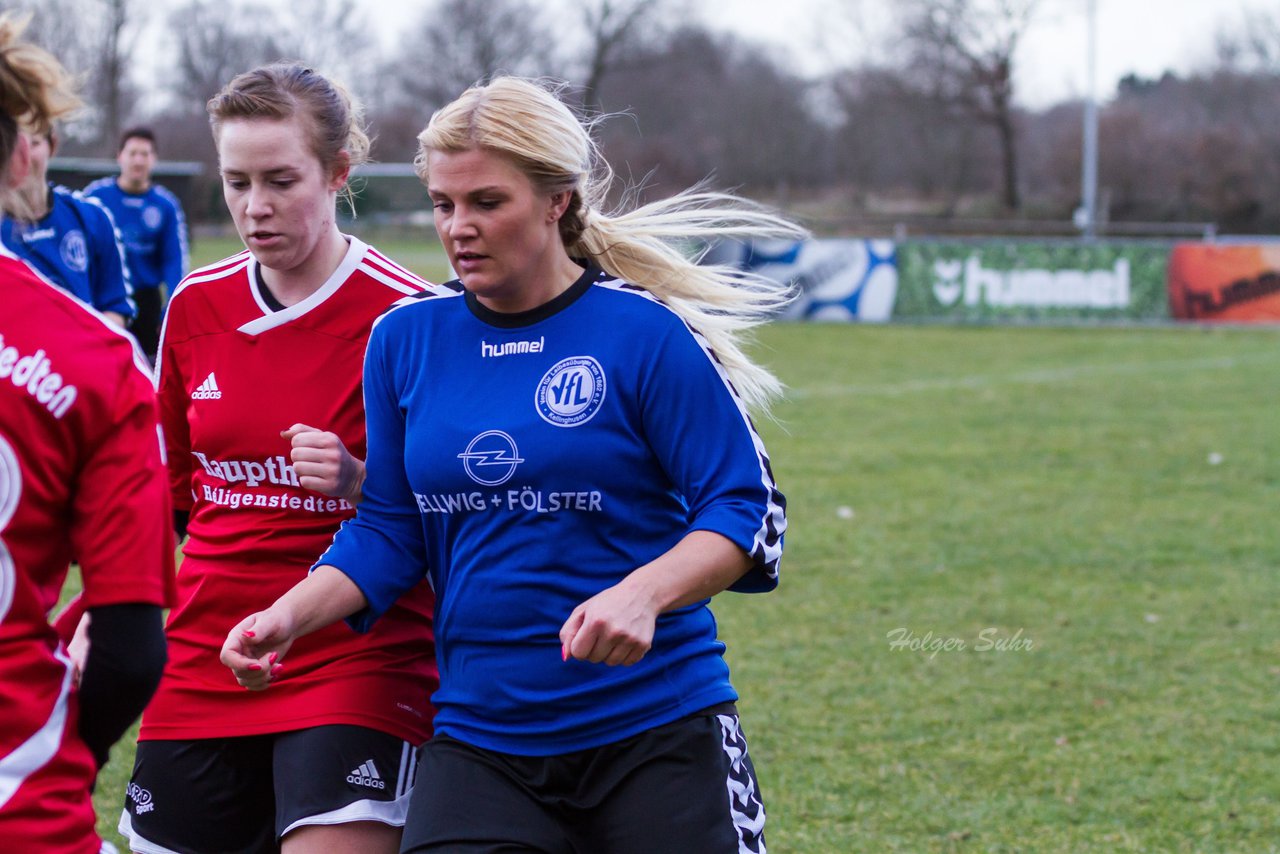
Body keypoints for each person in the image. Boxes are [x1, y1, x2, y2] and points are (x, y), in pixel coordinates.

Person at [222, 75, 803, 853]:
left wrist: (642, 595)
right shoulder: (406, 340)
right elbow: (391, 527)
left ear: (557, 200)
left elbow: (746, 508)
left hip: (656, 728)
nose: (459, 228)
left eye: (486, 203)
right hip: (481, 739)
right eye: (443, 204)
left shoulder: (645, 333)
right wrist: (288, 616)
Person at [117, 63, 445, 854]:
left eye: (280, 180)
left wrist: (361, 481)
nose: (254, 207)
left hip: (355, 654)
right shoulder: (196, 307)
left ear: (337, 174)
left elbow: (454, 518)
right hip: (207, 649)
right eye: (236, 182)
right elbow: (167, 498)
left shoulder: (412, 317)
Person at [0, 13, 171, 853]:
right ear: (26, 150)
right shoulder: (99, 369)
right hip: (20, 794)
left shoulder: (94, 236)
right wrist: (70, 756)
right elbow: (132, 649)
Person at [0, 123, 135, 327]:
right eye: (14, 144)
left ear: (52, 145)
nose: (23, 156)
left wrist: (84, 352)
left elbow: (115, 307)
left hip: (84, 356)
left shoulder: (91, 216)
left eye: (34, 143)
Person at [85, 126, 189, 362]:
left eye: (145, 154)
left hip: (146, 302)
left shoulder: (165, 204)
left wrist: (173, 307)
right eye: (133, 153)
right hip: (103, 297)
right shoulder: (95, 198)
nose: (138, 160)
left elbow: (174, 260)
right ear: (119, 156)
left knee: (148, 369)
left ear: (154, 159)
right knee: (102, 365)